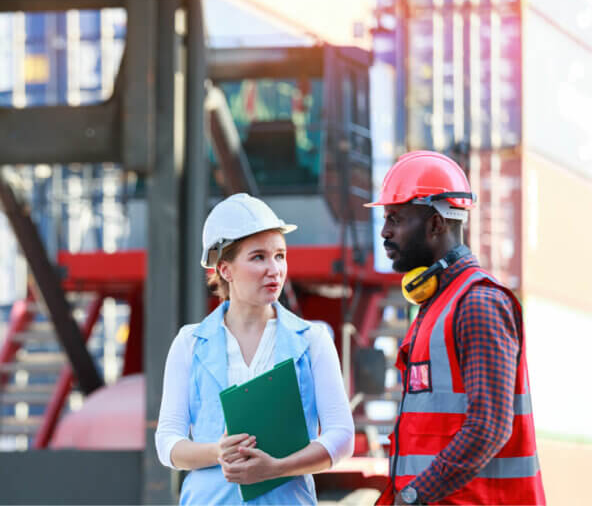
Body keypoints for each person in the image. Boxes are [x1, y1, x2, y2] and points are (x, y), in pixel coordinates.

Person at [365, 151, 545, 505]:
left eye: (396, 219)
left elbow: (489, 427)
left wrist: (414, 496)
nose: (385, 232)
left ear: (436, 224)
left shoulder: (478, 303)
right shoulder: (439, 304)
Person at [155, 193, 354, 505]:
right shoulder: (189, 343)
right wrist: (217, 452)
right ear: (224, 269)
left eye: (280, 255)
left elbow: (341, 437)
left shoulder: (312, 340)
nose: (274, 269)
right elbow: (167, 443)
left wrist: (277, 468)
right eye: (258, 257)